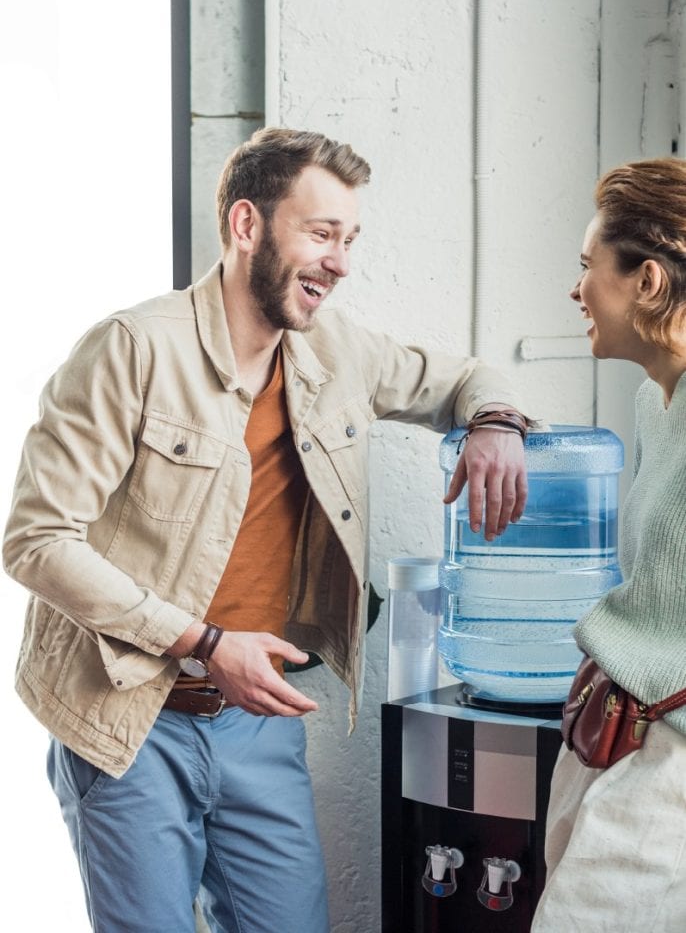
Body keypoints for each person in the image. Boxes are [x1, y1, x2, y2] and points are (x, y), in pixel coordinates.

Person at [3, 127, 530, 933]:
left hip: (258, 726)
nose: (340, 263)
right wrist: (206, 642)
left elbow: (462, 377)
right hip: (128, 722)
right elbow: (36, 539)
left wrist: (494, 421)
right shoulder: (132, 349)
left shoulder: (337, 352)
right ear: (247, 224)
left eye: (349, 240)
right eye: (321, 233)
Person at [531, 157, 686, 932]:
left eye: (589, 265)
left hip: (671, 759)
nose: (577, 289)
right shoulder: (655, 401)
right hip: (611, 727)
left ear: (647, 282)